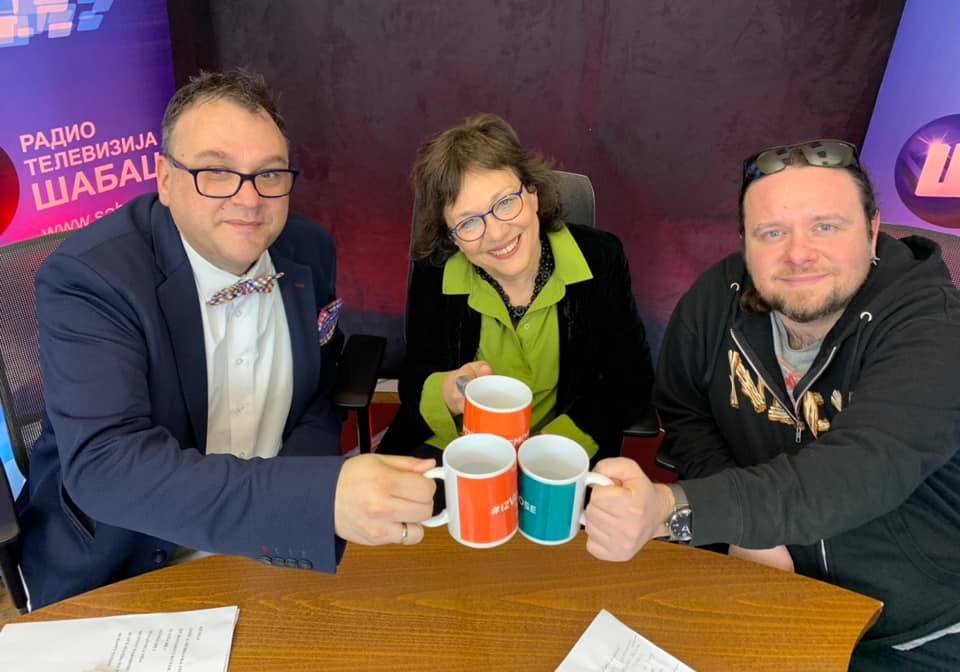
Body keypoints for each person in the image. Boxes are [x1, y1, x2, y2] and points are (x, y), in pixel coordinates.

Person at [17, 70, 436, 609]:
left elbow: (318, 389)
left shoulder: (309, 249)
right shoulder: (91, 278)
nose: (249, 199)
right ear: (165, 179)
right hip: (127, 562)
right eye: (216, 172)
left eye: (269, 173)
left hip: (275, 543)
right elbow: (106, 464)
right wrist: (316, 500)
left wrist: (294, 504)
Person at [583, 139, 960, 669]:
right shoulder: (714, 301)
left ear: (873, 229)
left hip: (909, 628)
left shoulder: (932, 327)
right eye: (772, 233)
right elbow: (686, 413)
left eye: (825, 226)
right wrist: (748, 533)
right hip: (753, 578)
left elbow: (860, 469)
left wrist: (677, 510)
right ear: (745, 242)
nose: (798, 254)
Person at [377, 113, 653, 463]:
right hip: (457, 449)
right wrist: (447, 390)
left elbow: (631, 379)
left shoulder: (600, 257)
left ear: (533, 193)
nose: (496, 233)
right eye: (469, 222)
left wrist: (549, 448)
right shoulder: (436, 271)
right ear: (453, 237)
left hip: (563, 451)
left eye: (505, 203)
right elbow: (416, 374)